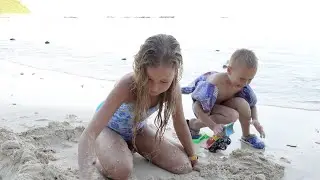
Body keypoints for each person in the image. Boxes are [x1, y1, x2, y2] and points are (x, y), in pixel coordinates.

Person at [78, 34, 198, 180]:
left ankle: (131, 145)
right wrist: (86, 173)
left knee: (183, 166)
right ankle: (102, 152)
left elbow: (179, 123)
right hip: (108, 129)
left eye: (164, 81)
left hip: (138, 129)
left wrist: (192, 156)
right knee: (121, 171)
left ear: (175, 72)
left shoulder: (173, 89)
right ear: (141, 69)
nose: (155, 88)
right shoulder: (127, 85)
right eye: (149, 79)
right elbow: (89, 133)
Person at [181, 48, 265, 149]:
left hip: (221, 106)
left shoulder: (242, 85)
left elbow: (252, 105)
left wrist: (255, 119)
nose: (245, 83)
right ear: (229, 70)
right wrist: (213, 126)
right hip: (204, 108)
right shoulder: (214, 84)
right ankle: (193, 125)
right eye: (242, 79)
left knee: (243, 103)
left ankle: (246, 136)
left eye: (250, 79)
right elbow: (197, 107)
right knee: (232, 115)